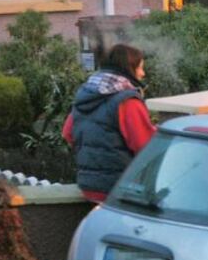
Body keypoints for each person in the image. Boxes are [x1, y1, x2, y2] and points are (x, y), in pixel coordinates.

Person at [63, 44, 156, 202]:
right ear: (129, 69)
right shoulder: (127, 101)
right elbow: (146, 146)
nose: (143, 73)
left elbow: (67, 134)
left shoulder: (86, 94)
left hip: (88, 187)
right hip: (120, 188)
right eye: (140, 68)